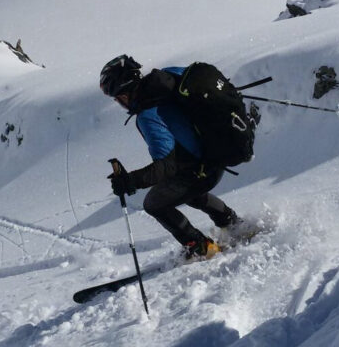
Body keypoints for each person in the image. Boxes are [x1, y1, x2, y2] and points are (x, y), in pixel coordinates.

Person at [99, 54, 241, 259]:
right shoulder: (168, 78)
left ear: (126, 93)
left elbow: (166, 166)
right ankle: (232, 223)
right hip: (215, 154)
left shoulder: (148, 116)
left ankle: (201, 247)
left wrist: (130, 181)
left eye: (118, 98)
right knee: (182, 188)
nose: (120, 104)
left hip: (204, 168)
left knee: (154, 203)